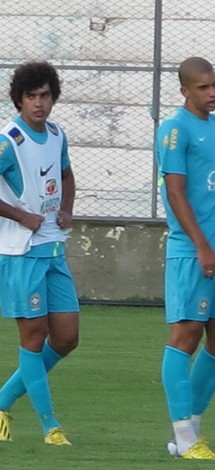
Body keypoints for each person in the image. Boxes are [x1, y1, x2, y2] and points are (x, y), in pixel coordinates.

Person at [156, 57, 215, 460]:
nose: (212, 93)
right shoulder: (173, 130)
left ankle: (189, 431)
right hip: (194, 251)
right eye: (203, 87)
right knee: (185, 338)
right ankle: (186, 436)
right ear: (185, 91)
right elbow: (175, 193)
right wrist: (202, 246)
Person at [0, 62, 79, 446]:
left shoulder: (57, 134)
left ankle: (1, 401)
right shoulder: (9, 140)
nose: (39, 103)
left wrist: (66, 208)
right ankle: (51, 426)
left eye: (45, 95)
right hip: (20, 250)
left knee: (66, 338)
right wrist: (20, 216)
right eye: (31, 96)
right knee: (33, 337)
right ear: (19, 100)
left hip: (53, 247)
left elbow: (66, 175)